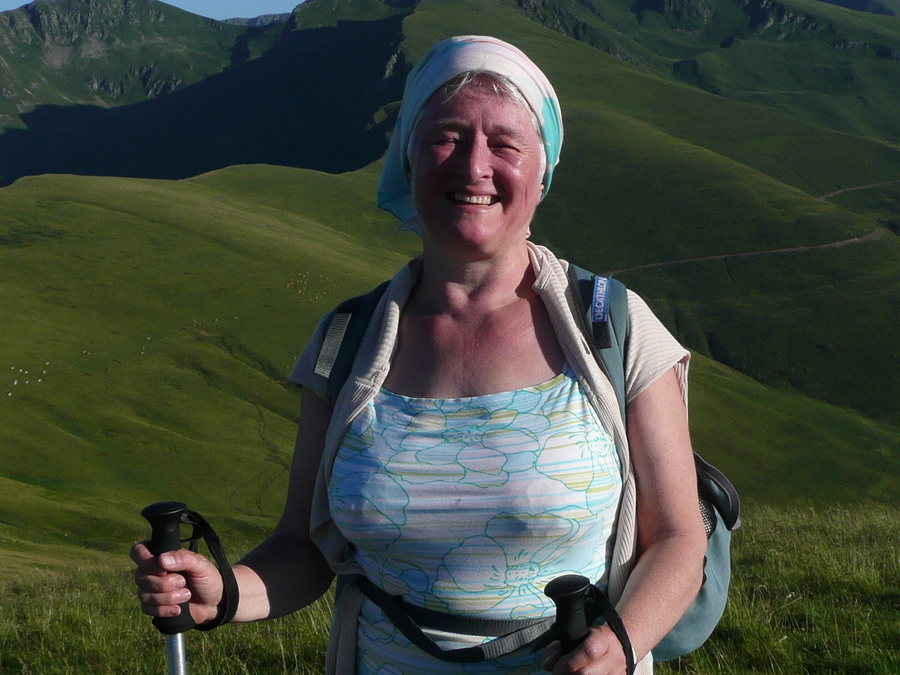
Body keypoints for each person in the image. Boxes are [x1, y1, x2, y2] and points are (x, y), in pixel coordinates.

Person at [131, 35, 708, 675]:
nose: (474, 167)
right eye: (447, 137)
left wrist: (621, 645)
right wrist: (225, 593)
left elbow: (680, 541)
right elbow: (304, 547)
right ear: (408, 157)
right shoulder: (346, 340)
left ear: (544, 172)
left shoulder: (613, 324)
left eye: (506, 144)